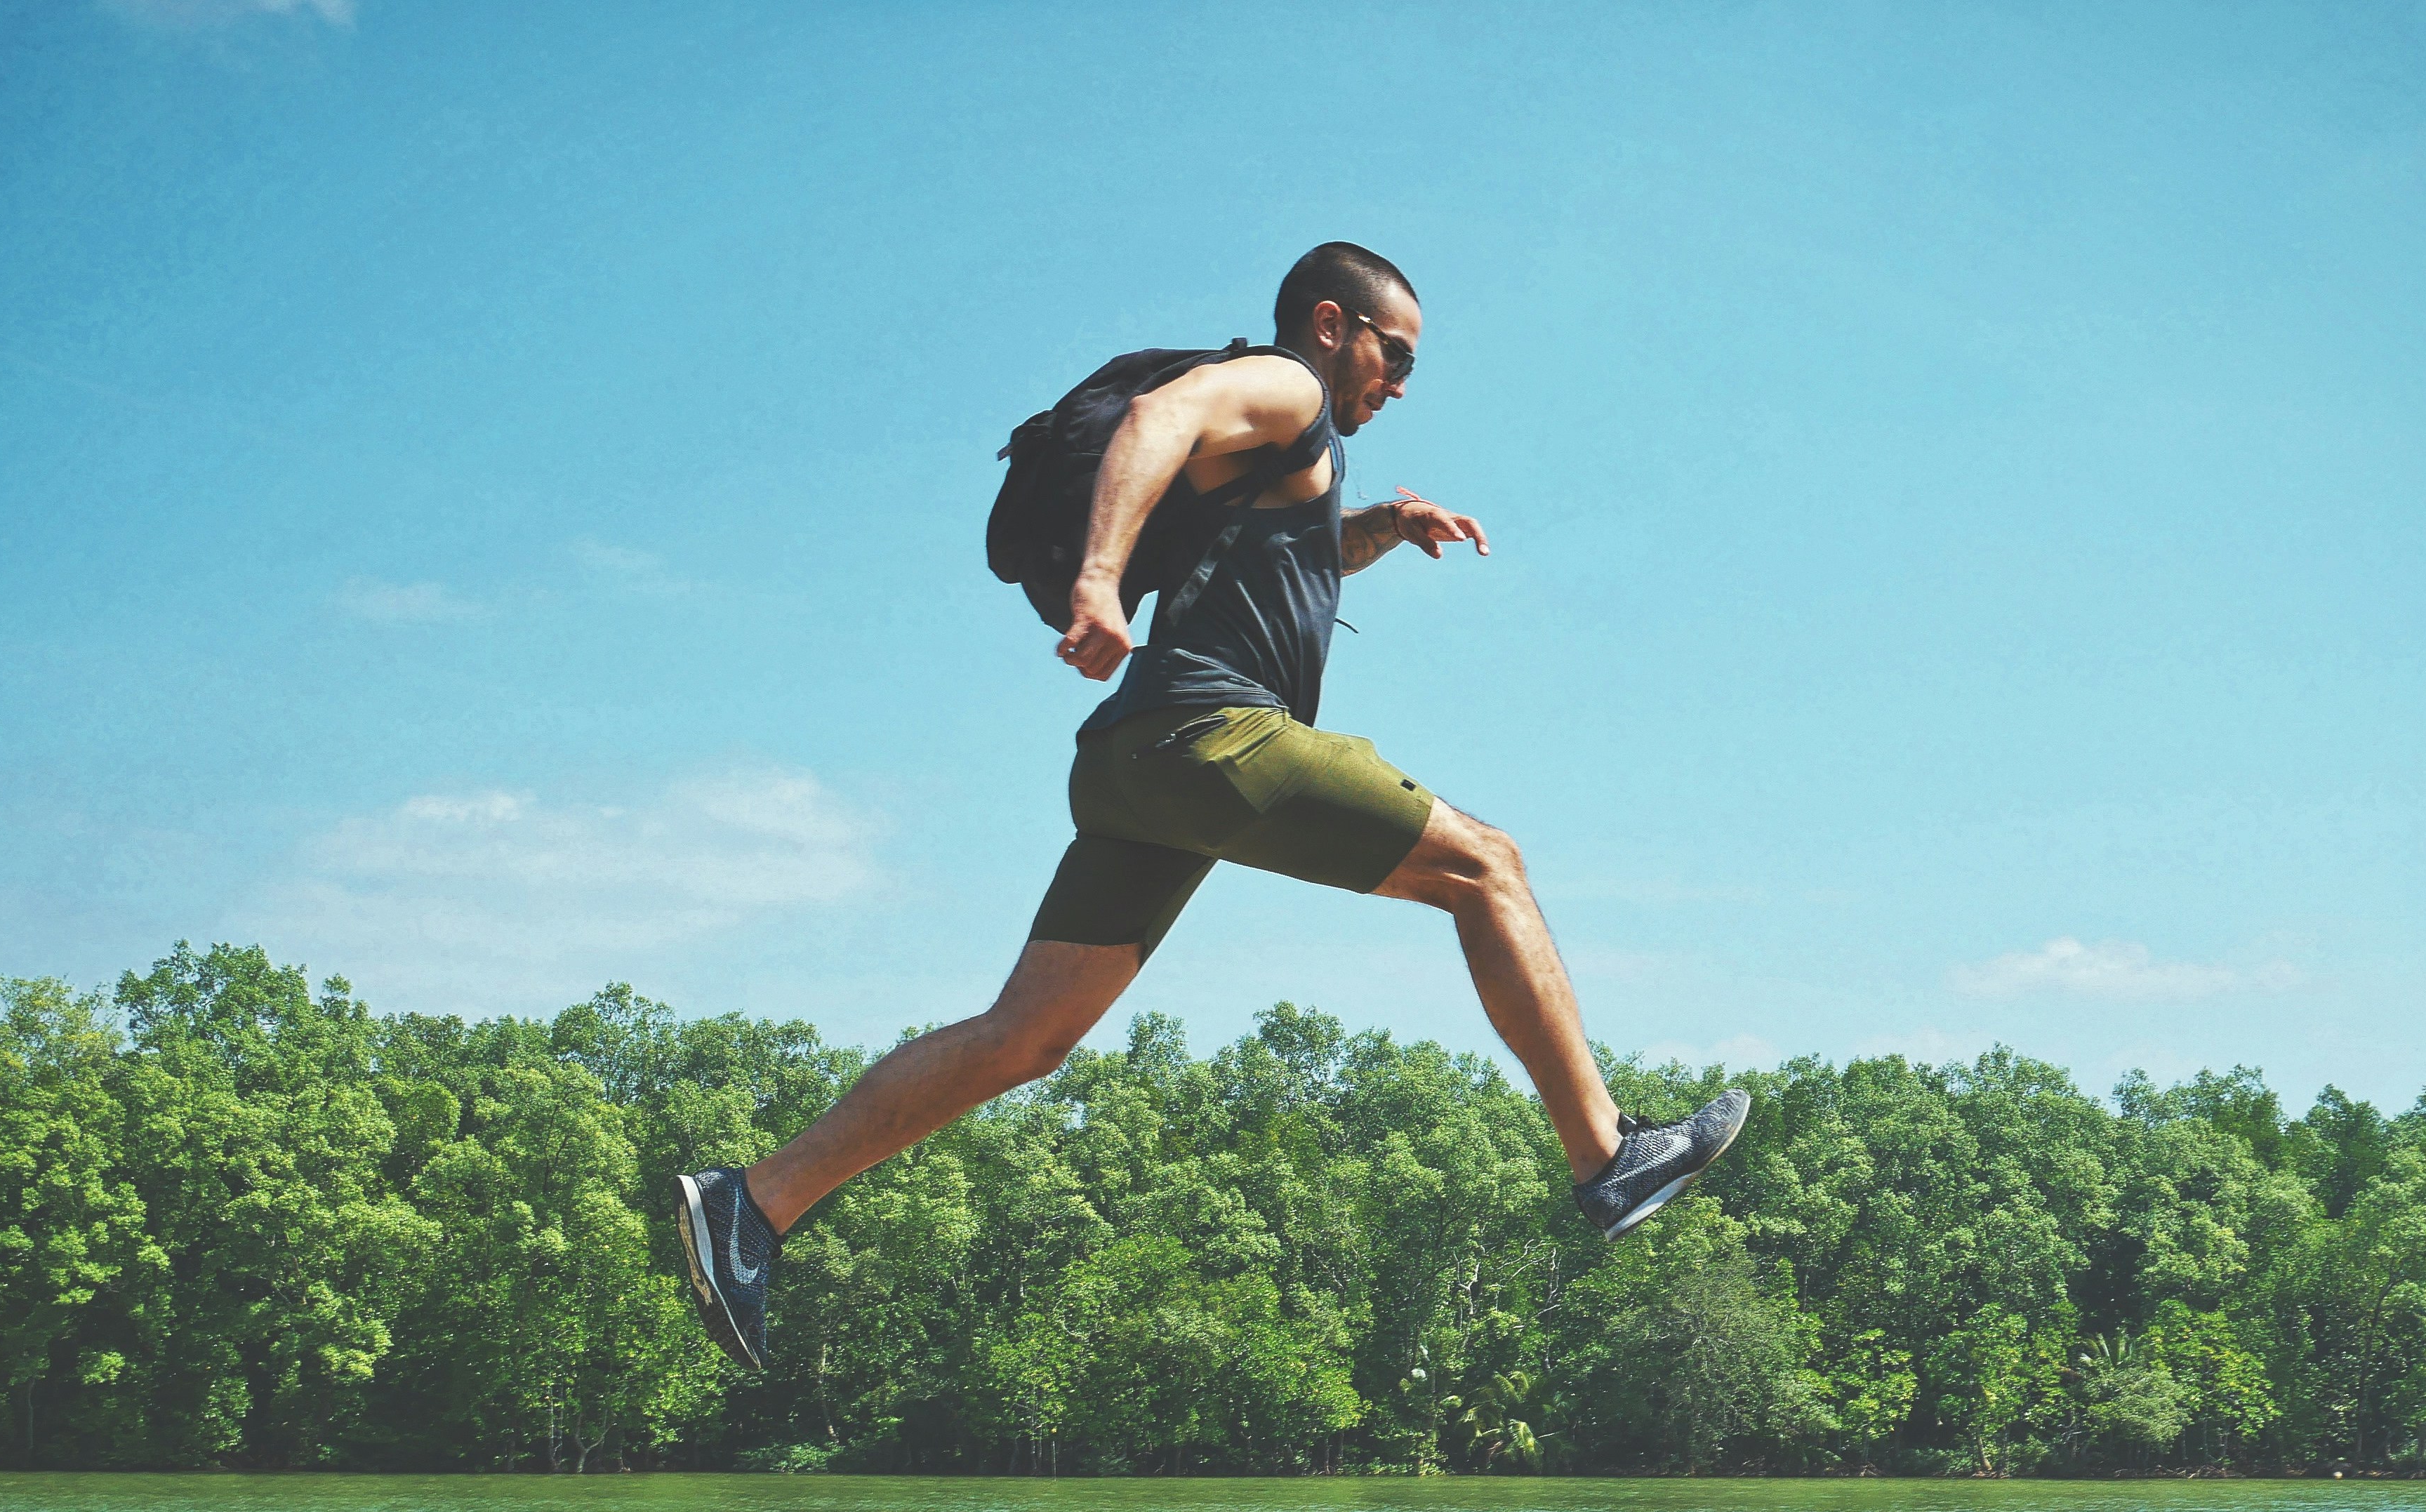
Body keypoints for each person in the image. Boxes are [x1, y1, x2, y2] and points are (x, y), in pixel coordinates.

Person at [677, 242, 1747, 1370]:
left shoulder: (1283, 456)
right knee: (1487, 864)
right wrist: (1098, 580)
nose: (1400, 384)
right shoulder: (1282, 384)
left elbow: (1276, 558)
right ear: (1332, 325)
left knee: (1024, 1038)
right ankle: (1607, 1155)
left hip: (1136, 767)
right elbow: (1158, 420)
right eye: (1396, 356)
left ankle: (755, 1205)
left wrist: (1377, 530)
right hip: (1208, 738)